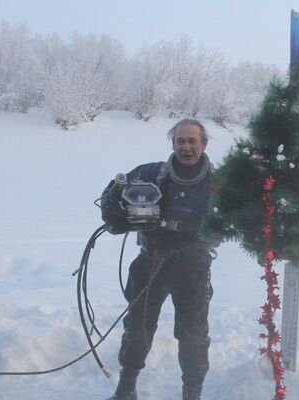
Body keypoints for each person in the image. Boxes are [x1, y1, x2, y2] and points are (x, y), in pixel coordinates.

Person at [100, 119, 217, 400]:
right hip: (151, 260)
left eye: (192, 141)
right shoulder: (152, 173)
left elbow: (245, 211)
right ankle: (126, 388)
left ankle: (192, 393)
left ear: (204, 143)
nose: (186, 147)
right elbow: (110, 193)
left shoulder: (219, 182)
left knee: (193, 336)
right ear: (173, 143)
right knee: (137, 328)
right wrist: (114, 216)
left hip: (194, 268)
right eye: (180, 141)